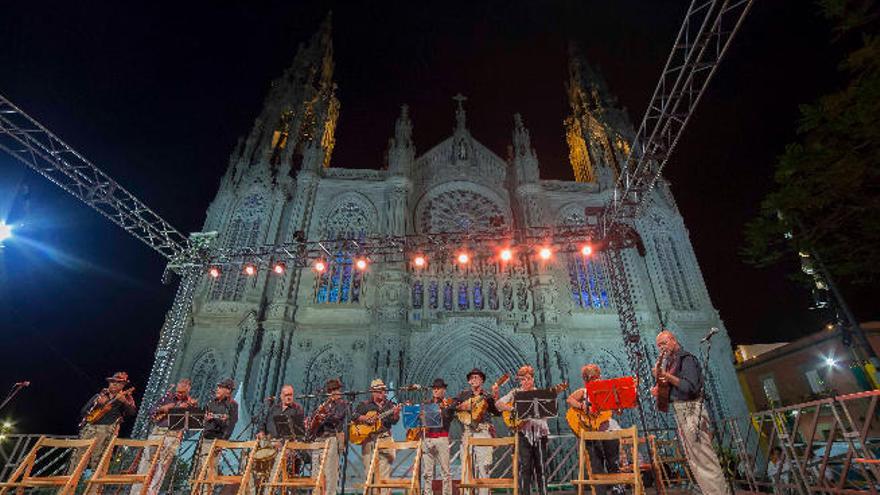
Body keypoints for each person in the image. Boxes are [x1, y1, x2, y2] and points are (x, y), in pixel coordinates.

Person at [652, 330, 731, 495]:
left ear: (674, 340)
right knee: (694, 461)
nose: (661, 348)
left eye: (664, 343)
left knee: (704, 459)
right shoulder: (671, 364)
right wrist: (659, 389)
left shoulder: (686, 359)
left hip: (692, 410)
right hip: (680, 411)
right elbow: (674, 389)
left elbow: (690, 388)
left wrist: (666, 375)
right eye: (658, 345)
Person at [132, 378, 198, 495]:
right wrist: (163, 408)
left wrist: (187, 410)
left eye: (182, 392)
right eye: (178, 391)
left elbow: (190, 425)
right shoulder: (167, 398)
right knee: (145, 462)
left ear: (188, 389)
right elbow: (151, 411)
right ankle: (136, 492)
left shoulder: (191, 403)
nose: (179, 393)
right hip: (157, 432)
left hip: (173, 436)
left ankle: (151, 493)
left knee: (161, 467)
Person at [565, 364, 620, 495]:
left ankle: (617, 488)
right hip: (591, 432)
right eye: (590, 379)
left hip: (607, 430)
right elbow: (569, 399)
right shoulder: (583, 392)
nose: (594, 380)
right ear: (586, 380)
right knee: (596, 464)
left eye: (595, 377)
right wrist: (582, 405)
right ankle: (601, 492)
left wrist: (618, 405)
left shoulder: (607, 391)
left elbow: (617, 410)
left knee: (613, 460)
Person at [496, 365, 548, 495]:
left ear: (533, 379)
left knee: (540, 467)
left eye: (528, 379)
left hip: (539, 434)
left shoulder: (541, 394)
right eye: (522, 380)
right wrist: (513, 409)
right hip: (523, 434)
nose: (525, 382)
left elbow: (547, 414)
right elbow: (498, 405)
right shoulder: (515, 393)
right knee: (525, 467)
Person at [72, 371, 137, 472]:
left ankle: (94, 486)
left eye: (118, 383)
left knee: (98, 460)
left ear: (123, 385)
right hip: (89, 429)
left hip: (106, 430)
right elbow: (83, 411)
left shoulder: (126, 398)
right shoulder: (99, 396)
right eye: (112, 382)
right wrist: (97, 404)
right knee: (78, 459)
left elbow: (132, 413)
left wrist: (124, 402)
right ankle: (68, 484)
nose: (114, 384)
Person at [454, 368, 500, 495]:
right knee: (466, 467)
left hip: (483, 432)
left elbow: (497, 412)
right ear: (469, 381)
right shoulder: (463, 395)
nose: (474, 379)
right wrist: (461, 406)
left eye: (477, 377)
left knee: (483, 467)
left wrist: (496, 397)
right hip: (467, 432)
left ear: (482, 381)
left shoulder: (487, 396)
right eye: (472, 377)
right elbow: (451, 408)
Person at [354, 378, 401, 495]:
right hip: (369, 439)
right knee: (369, 474)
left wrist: (395, 414)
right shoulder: (364, 405)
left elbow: (393, 421)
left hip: (385, 438)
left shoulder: (390, 405)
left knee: (384, 474)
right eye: (379, 390)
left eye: (383, 390)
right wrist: (364, 418)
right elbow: (353, 415)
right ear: (373, 391)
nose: (382, 392)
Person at [310, 378, 348, 495]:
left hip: (332, 437)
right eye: (331, 390)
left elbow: (337, 417)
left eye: (336, 390)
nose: (334, 392)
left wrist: (324, 415)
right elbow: (314, 418)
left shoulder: (342, 404)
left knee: (330, 473)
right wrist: (316, 417)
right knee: (316, 473)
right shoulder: (324, 404)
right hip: (319, 438)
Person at [194, 378, 238, 479]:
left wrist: (222, 441)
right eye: (218, 387)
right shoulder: (211, 402)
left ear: (228, 390)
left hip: (216, 440)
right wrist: (204, 418)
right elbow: (201, 419)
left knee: (210, 469)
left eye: (221, 387)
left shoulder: (232, 405)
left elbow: (231, 424)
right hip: (204, 438)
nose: (217, 389)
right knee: (199, 469)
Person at [421, 378, 455, 495]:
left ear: (443, 390)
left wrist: (443, 410)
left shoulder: (448, 404)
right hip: (428, 438)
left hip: (442, 438)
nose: (435, 390)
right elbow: (421, 421)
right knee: (427, 473)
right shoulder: (426, 403)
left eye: (438, 388)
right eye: (434, 388)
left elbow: (449, 419)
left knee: (446, 471)